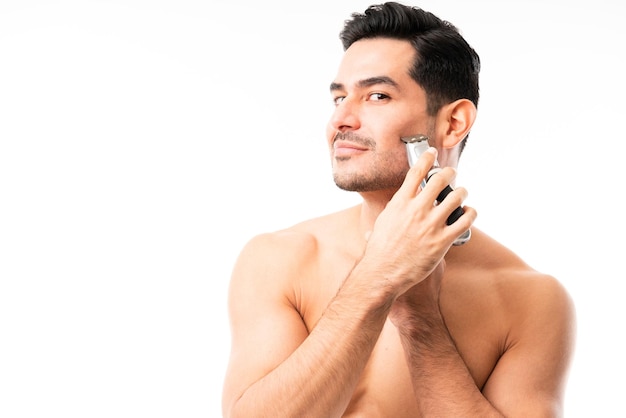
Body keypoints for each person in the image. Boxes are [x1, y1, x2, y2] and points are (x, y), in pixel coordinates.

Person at [221, 2, 576, 417]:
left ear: (453, 124)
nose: (341, 119)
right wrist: (377, 276)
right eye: (339, 97)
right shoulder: (280, 259)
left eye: (376, 96)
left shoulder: (528, 299)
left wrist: (421, 320)